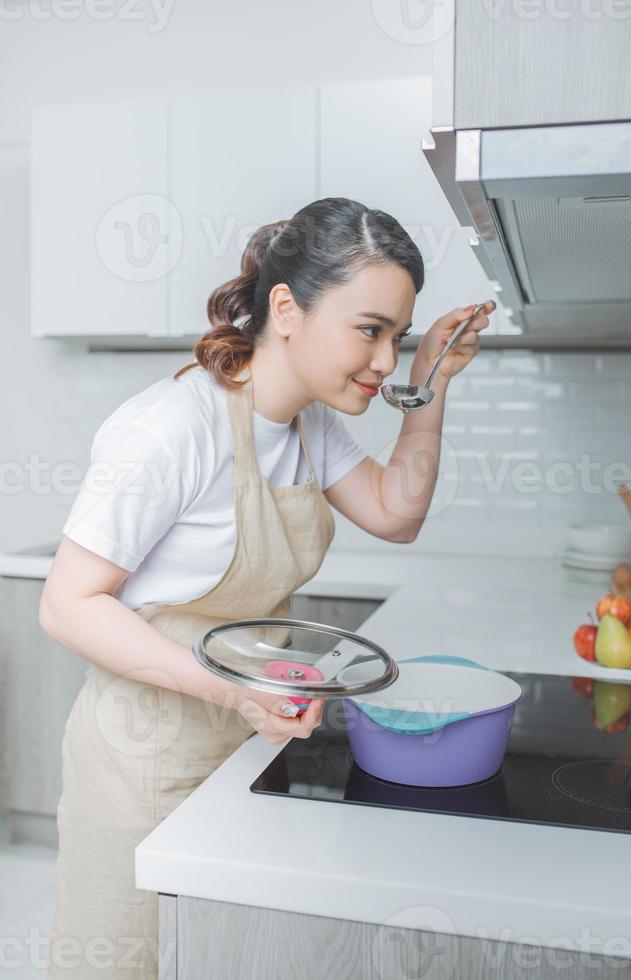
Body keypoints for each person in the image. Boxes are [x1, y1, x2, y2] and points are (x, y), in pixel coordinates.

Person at [39, 196, 495, 977]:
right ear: (286, 308)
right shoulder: (173, 427)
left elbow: (395, 514)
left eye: (399, 337)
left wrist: (430, 385)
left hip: (243, 745)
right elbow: (68, 603)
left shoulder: (309, 425)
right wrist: (233, 694)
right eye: (370, 330)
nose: (386, 361)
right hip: (144, 760)